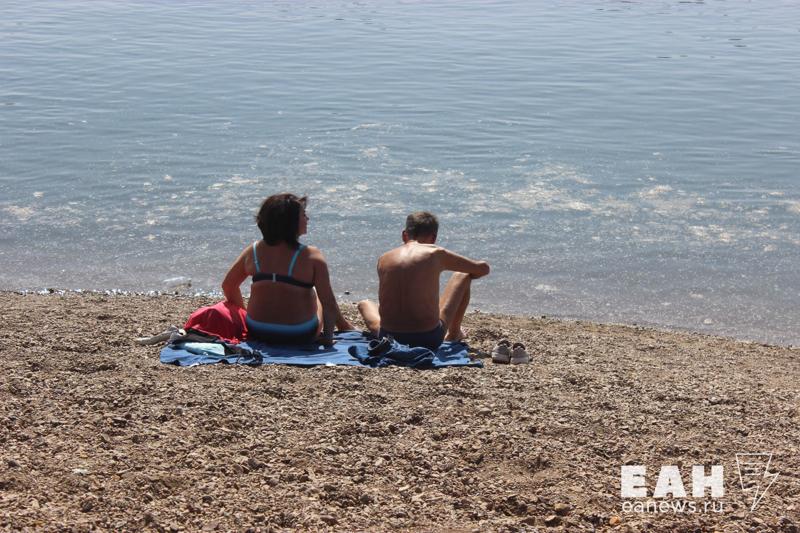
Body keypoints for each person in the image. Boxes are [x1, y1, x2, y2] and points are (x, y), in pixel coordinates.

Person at [222, 193, 353, 346]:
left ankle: (344, 325)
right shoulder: (312, 256)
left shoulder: (253, 251)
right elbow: (329, 304)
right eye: (303, 215)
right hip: (299, 333)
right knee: (319, 295)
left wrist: (244, 313)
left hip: (257, 329)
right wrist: (328, 339)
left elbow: (228, 286)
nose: (308, 219)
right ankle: (344, 326)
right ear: (291, 223)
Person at [357, 211, 490, 351]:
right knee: (463, 274)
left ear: (404, 235)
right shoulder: (435, 253)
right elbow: (483, 269)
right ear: (433, 238)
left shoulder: (384, 258)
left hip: (388, 337)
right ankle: (454, 333)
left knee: (364, 304)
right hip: (427, 339)